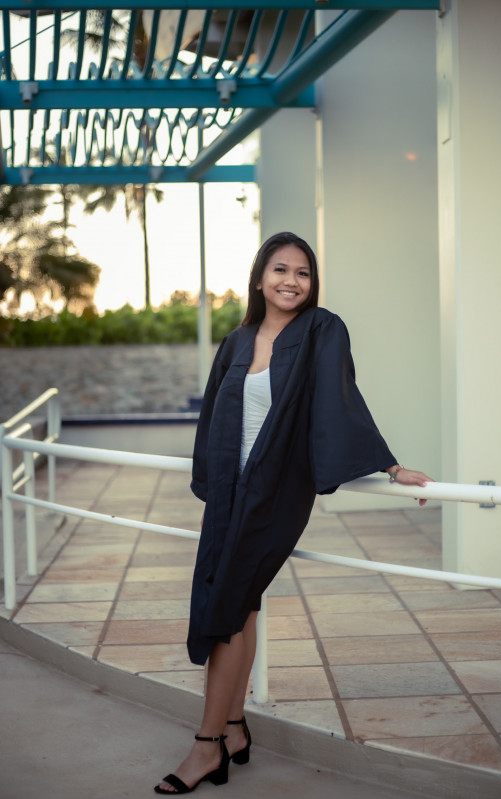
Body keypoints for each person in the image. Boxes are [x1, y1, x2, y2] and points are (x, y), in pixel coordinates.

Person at [155, 232, 432, 794]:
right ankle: (233, 727)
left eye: (303, 272)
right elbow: (212, 417)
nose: (291, 281)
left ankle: (205, 746)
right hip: (231, 493)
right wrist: (209, 483)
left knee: (227, 605)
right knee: (241, 605)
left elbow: (340, 399)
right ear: (259, 278)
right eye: (280, 269)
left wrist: (388, 466)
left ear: (313, 283)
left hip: (276, 491)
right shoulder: (236, 342)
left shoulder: (322, 330)